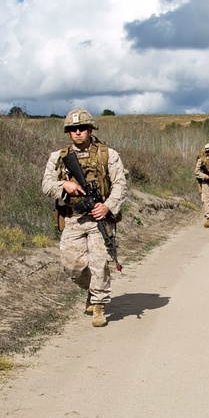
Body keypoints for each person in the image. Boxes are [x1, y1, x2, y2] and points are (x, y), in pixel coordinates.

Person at [41, 109, 127, 327]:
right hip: (73, 218)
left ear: (90, 129)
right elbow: (46, 185)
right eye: (73, 129)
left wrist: (107, 207)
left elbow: (119, 185)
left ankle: (98, 304)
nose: (77, 132)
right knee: (72, 266)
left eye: (81, 128)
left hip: (100, 217)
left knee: (99, 262)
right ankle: (91, 288)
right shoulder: (58, 157)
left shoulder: (108, 154)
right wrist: (64, 185)